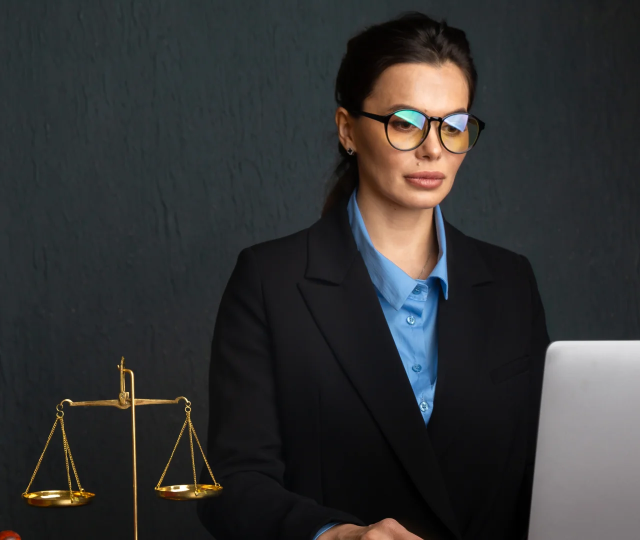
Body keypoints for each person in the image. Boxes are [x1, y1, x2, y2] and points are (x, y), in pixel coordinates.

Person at [197, 12, 550, 540]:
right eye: (406, 122)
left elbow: (543, 472)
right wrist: (337, 535)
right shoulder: (270, 281)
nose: (434, 149)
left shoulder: (511, 282)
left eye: (453, 125)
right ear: (347, 130)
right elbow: (233, 483)